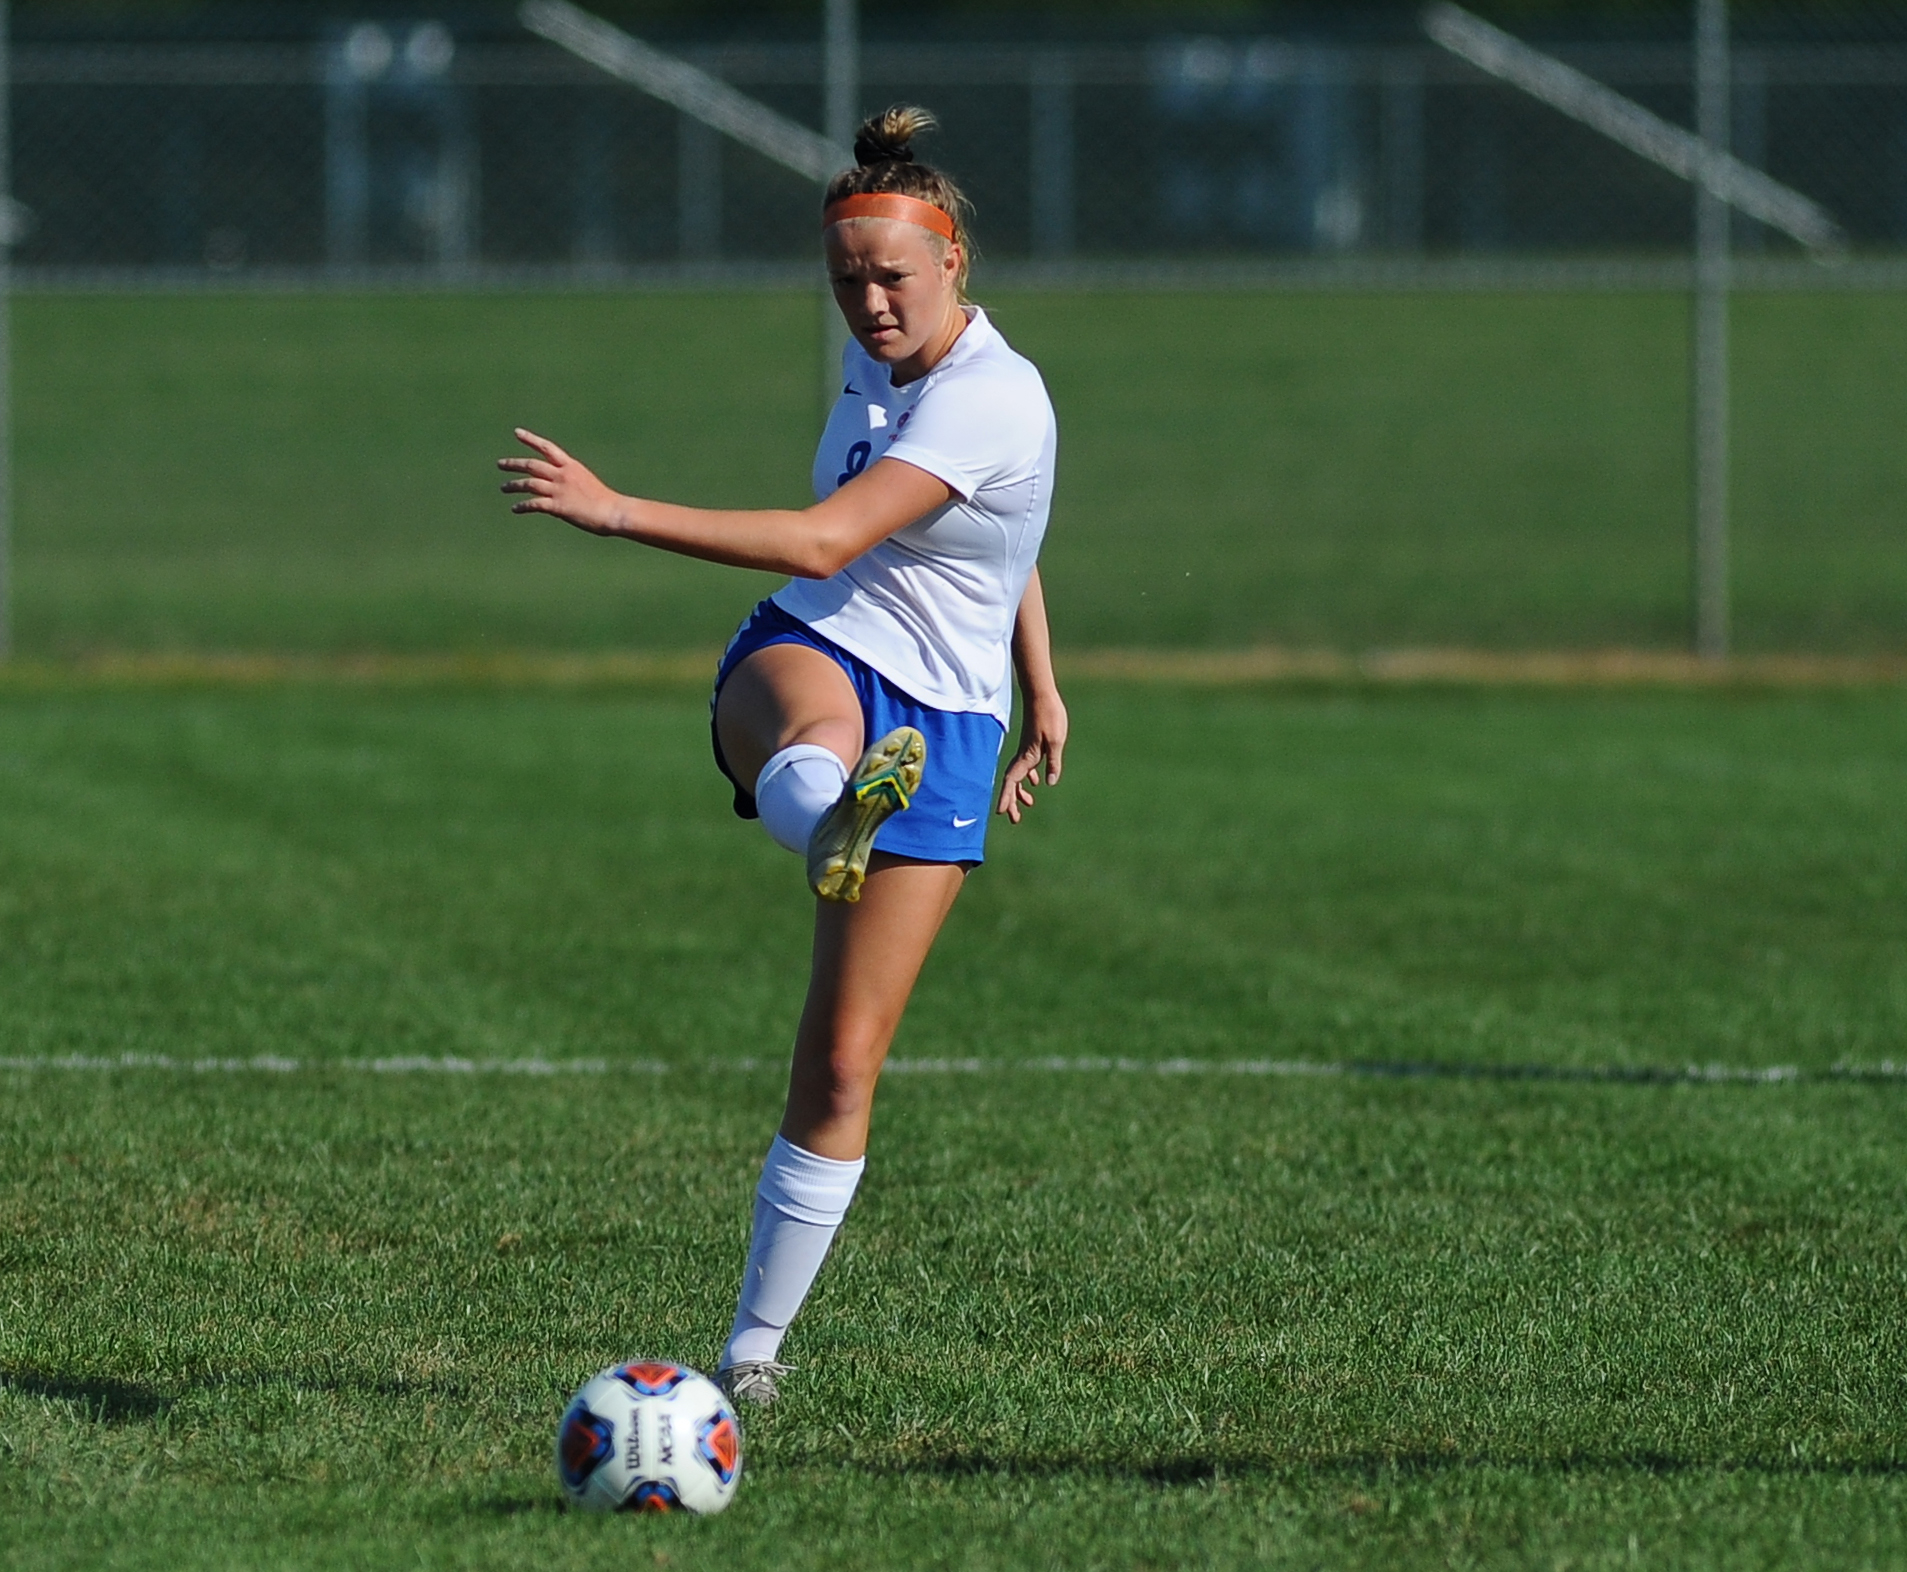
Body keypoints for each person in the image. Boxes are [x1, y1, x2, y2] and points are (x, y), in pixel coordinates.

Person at [498, 106, 1065, 1408]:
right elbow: (936, 553)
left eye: (892, 280)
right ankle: (831, 824)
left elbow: (839, 532)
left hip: (945, 723)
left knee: (842, 1060)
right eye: (847, 282)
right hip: (819, 643)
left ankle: (750, 1354)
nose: (867, 302)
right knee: (809, 730)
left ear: (955, 268)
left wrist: (615, 510)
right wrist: (1049, 677)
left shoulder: (996, 396)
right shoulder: (889, 361)